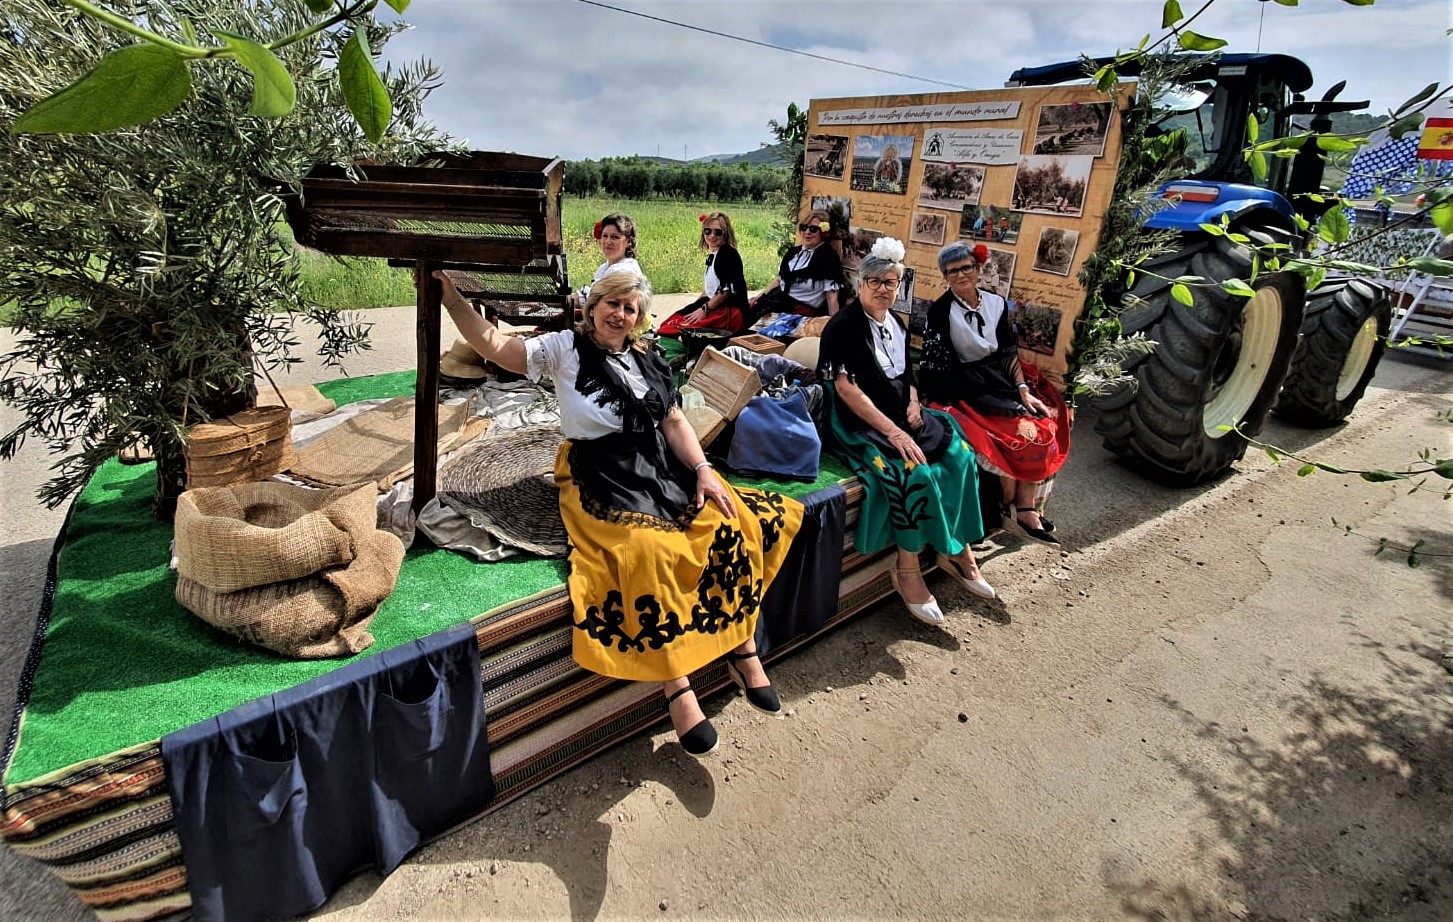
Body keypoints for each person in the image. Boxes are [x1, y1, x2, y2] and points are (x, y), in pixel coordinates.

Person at [436, 269, 803, 758]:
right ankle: (677, 685)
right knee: (644, 550)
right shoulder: (564, 348)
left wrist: (702, 470)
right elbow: (499, 348)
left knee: (734, 520)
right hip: (600, 471)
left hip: (659, 465)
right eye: (613, 304)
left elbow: (673, 420)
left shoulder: (648, 355)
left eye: (630, 309)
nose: (620, 315)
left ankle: (742, 647)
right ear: (594, 305)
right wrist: (453, 302)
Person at [817, 237, 994, 625]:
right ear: (860, 284)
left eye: (891, 282)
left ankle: (959, 547)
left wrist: (914, 403)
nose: (884, 288)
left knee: (960, 455)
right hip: (860, 420)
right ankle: (908, 565)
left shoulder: (895, 322)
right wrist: (894, 432)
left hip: (901, 411)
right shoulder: (842, 327)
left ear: (899, 286)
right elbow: (846, 389)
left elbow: (908, 373)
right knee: (912, 470)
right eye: (876, 281)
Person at [917, 241, 1072, 546]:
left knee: (1040, 419)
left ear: (978, 269)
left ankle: (1026, 509)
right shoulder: (940, 311)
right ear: (945, 277)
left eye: (965, 268)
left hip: (998, 378)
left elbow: (1007, 350)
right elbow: (936, 363)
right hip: (961, 381)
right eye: (952, 272)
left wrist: (1023, 390)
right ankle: (1007, 507)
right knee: (1010, 433)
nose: (960, 275)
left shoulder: (996, 303)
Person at [656, 212, 749, 336]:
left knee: (675, 331)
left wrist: (703, 309)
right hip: (715, 305)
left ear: (726, 234)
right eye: (708, 231)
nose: (712, 235)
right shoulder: (716, 254)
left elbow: (725, 292)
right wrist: (695, 306)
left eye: (718, 232)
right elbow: (710, 290)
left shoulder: (728, 254)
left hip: (729, 312)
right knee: (670, 323)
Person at [749, 210, 843, 318]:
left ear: (823, 233)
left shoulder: (828, 259)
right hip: (777, 302)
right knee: (749, 314)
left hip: (799, 312)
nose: (807, 232)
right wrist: (760, 296)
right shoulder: (794, 252)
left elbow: (832, 297)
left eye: (813, 229)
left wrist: (834, 325)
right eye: (804, 228)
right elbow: (780, 280)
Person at [568, 212, 643, 313]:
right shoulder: (605, 267)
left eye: (615, 237)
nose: (607, 241)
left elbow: (598, 301)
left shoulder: (623, 270)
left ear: (628, 241)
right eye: (605, 236)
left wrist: (577, 298)